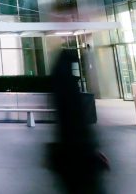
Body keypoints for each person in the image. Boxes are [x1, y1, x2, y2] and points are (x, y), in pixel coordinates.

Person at [48, 48, 107, 194]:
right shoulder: (69, 86)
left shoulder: (58, 83)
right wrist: (91, 149)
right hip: (79, 153)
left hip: (70, 152)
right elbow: (76, 120)